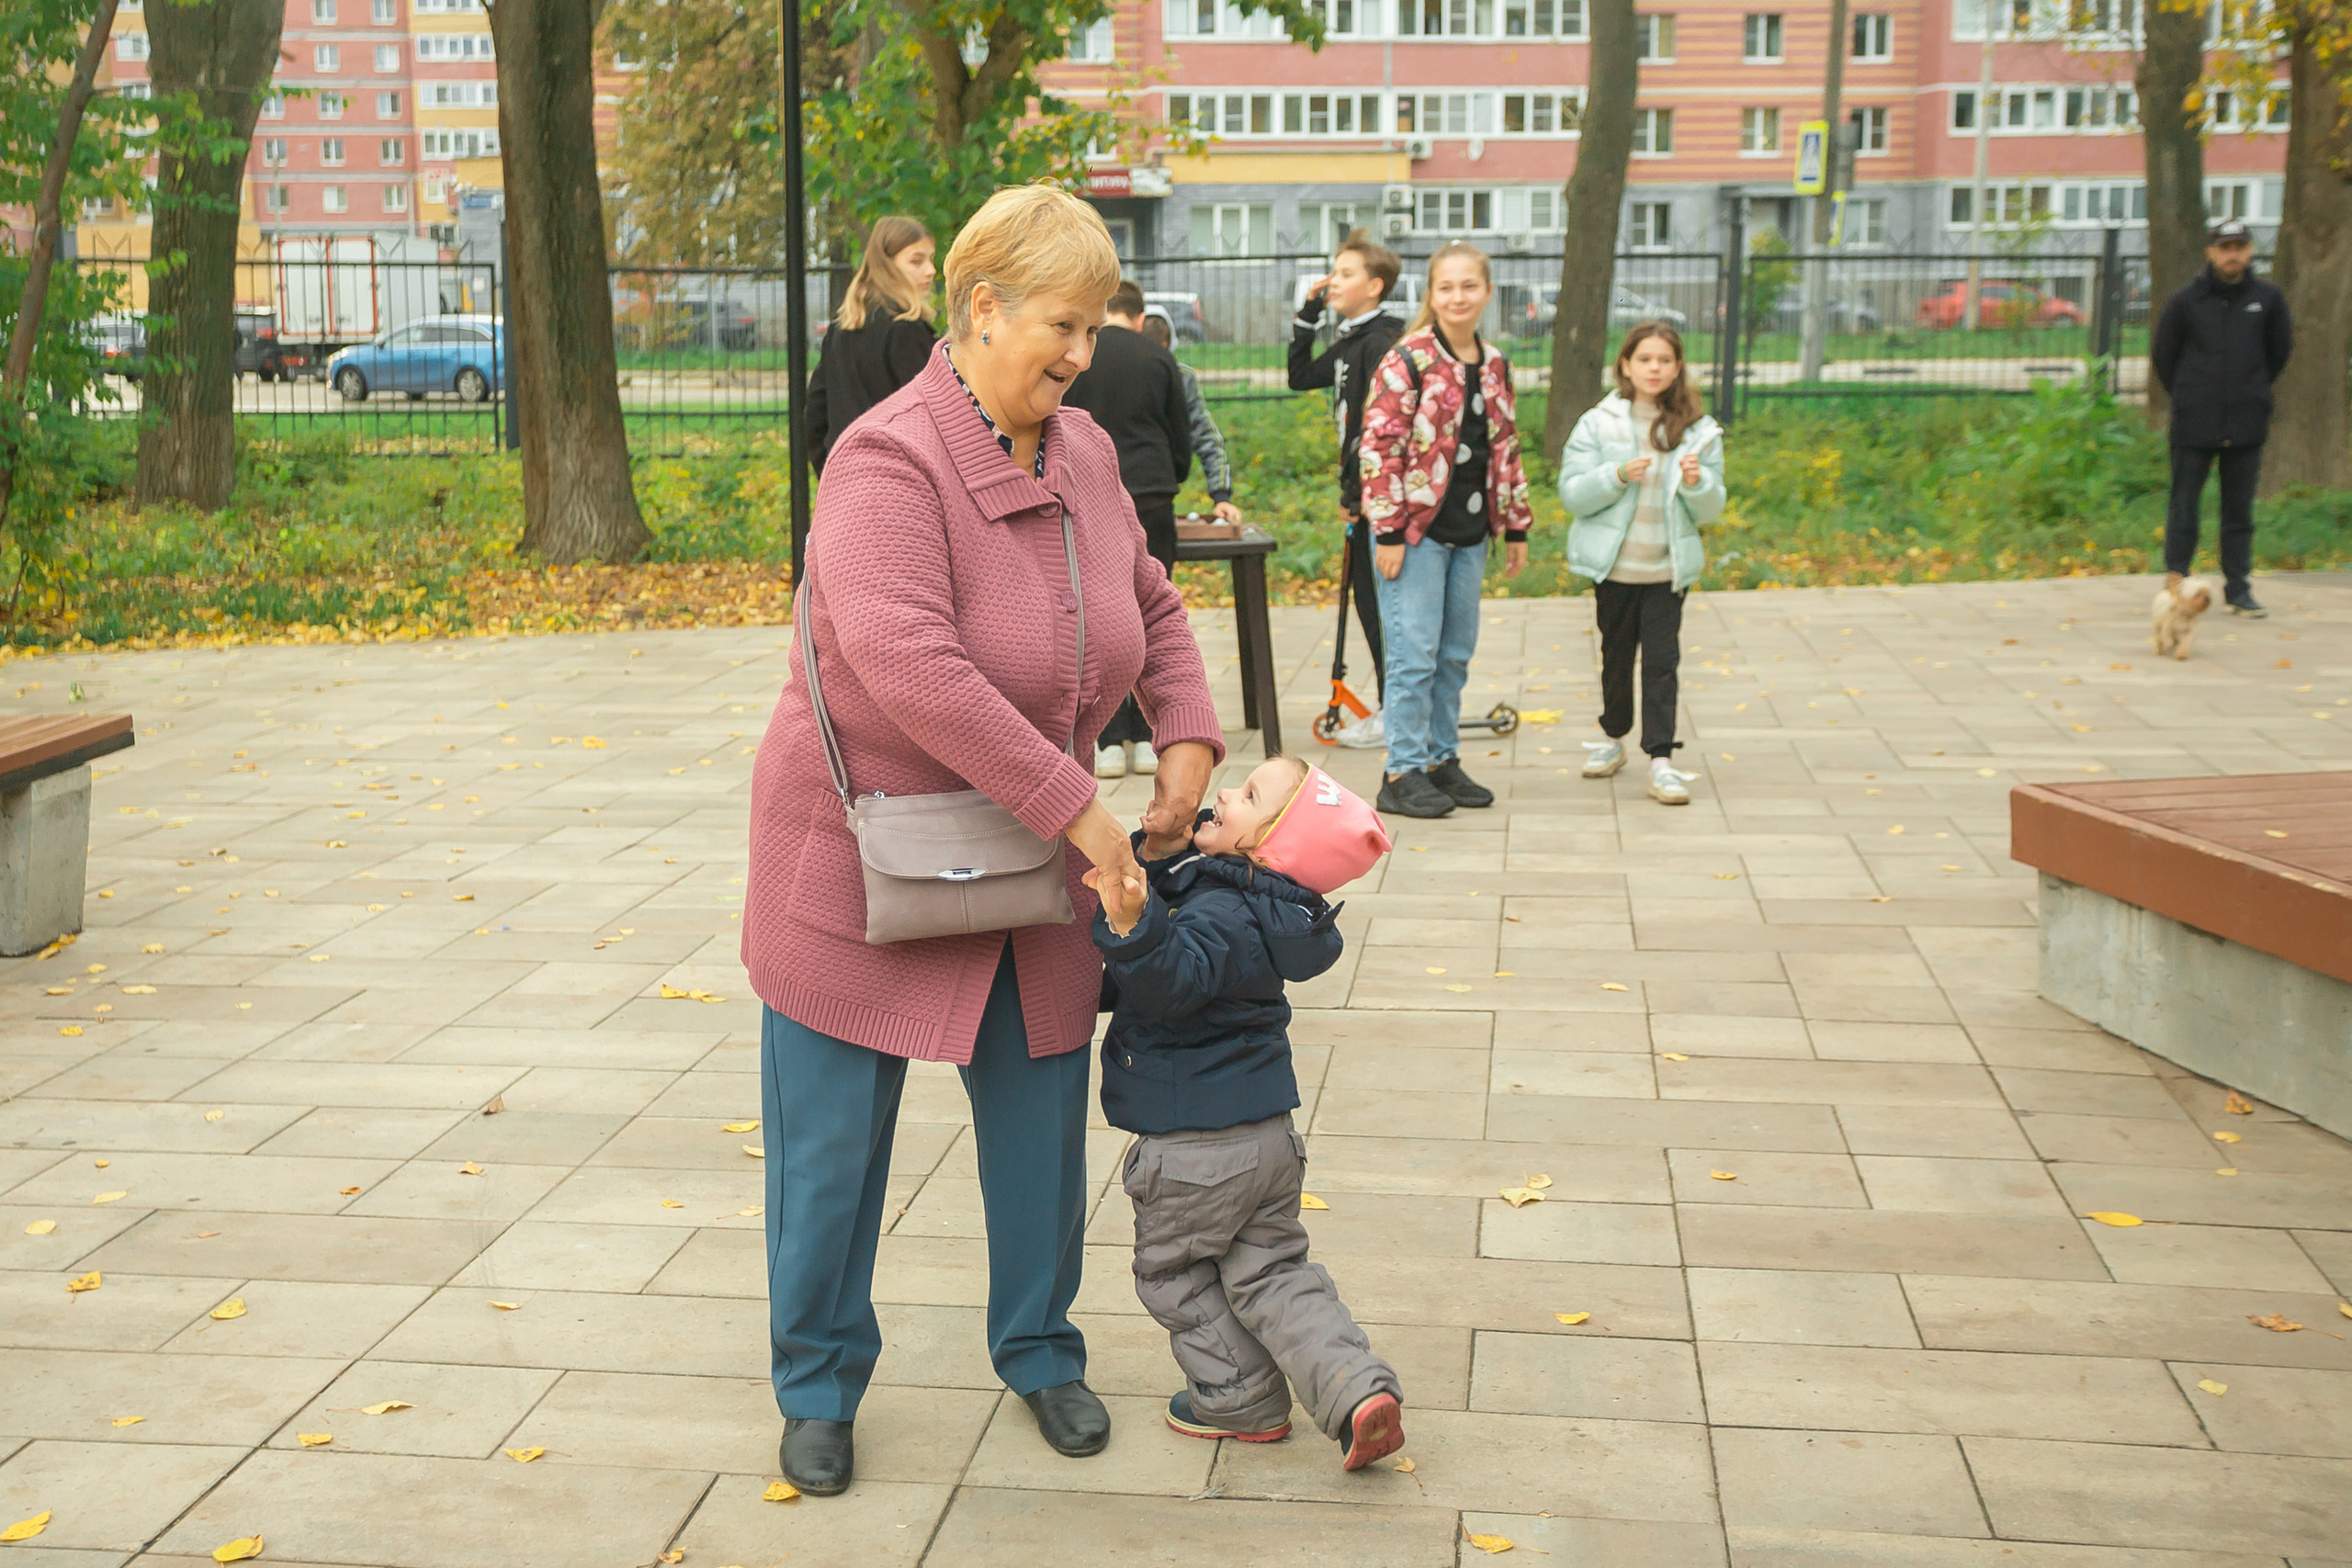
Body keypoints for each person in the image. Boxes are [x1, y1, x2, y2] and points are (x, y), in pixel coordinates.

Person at [742, 183, 1226, 1498]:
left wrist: (1185, 729)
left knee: (1038, 1120)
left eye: (1091, 329)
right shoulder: (886, 457)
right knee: (833, 1151)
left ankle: (1039, 1345)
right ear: (981, 308)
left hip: (1030, 866)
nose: (1079, 354)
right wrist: (1080, 803)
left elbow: (1152, 600)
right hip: (865, 857)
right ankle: (820, 1376)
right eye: (1060, 326)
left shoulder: (1074, 450)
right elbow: (912, 664)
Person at [1091, 754, 1406, 1470]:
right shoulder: (1259, 905)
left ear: (1264, 847)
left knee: (1170, 1272)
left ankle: (1240, 1397)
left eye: (1247, 795)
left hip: (1194, 1148)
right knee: (1273, 1270)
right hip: (1266, 1139)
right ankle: (1357, 1389)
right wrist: (1162, 858)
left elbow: (1172, 979)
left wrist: (1131, 922)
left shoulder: (1223, 911)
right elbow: (1189, 921)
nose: (1225, 792)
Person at [1355, 241, 1532, 820]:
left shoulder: (1495, 362)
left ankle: (1440, 759)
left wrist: (1515, 526)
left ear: (1486, 292)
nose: (1458, 297)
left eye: (1469, 286)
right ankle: (1401, 769)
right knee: (1413, 654)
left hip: (1472, 532)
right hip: (1414, 537)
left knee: (1454, 653)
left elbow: (1504, 446)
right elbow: (1378, 448)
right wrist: (1385, 532)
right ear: (1431, 294)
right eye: (1446, 287)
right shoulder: (1408, 359)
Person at [1557, 323, 1727, 807]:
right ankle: (1612, 740)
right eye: (1645, 359)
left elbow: (1711, 507)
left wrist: (1697, 483)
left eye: (1665, 360)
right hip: (1614, 569)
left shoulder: (1697, 430)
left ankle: (1662, 759)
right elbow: (1573, 493)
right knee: (1615, 658)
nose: (1655, 368)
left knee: (1660, 663)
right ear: (1626, 365)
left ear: (1678, 369)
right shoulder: (1599, 423)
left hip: (1666, 571)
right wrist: (1615, 475)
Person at [1061, 278, 1195, 780]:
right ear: (1141, 317)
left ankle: (1109, 738)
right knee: (1149, 611)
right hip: (1152, 489)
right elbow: (1179, 433)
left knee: (1100, 614)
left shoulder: (1076, 356)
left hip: (1084, 490)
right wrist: (1170, 477)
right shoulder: (1158, 356)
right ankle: (1145, 733)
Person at [1290, 230, 1404, 739]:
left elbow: (1376, 428)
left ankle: (1396, 708)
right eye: (1333, 271)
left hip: (1381, 498)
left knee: (1381, 605)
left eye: (1346, 273)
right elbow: (1299, 376)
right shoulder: (1349, 340)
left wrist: (1358, 496)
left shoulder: (1383, 342)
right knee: (1368, 600)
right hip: (1361, 495)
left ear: (1375, 286)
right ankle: (1393, 703)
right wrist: (1307, 316)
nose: (1332, 281)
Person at [2151, 218, 2293, 618]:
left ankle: (2239, 590)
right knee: (2184, 507)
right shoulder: (2185, 301)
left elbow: (2279, 352)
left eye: (2240, 247)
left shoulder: (2267, 298)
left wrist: (2253, 389)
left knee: (2239, 512)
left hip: (2247, 423)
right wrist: (2188, 395)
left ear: (2250, 251)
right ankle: (2177, 583)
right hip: (2194, 423)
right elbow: (2164, 355)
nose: (2233, 255)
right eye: (2225, 247)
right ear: (2210, 253)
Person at [806, 216, 937, 471]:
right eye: (917, 260)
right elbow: (932, 416)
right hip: (899, 480)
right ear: (886, 264)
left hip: (847, 477)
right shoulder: (907, 331)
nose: (930, 270)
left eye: (931, 259)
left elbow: (815, 413)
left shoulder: (841, 328)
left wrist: (830, 469)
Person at [1138, 311, 1241, 526]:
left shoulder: (1181, 379)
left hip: (1158, 490)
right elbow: (1206, 437)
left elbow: (1204, 434)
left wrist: (1221, 494)